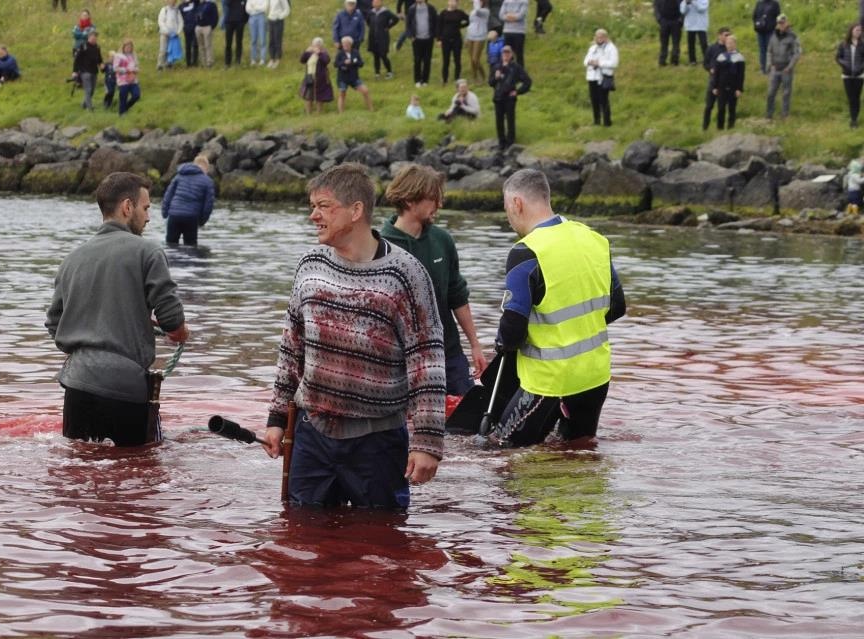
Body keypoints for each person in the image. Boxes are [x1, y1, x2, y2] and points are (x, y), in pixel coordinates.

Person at [260, 162, 445, 510]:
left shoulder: (406, 273)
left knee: (379, 545)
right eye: (312, 206)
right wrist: (275, 420)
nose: (314, 215)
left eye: (324, 206)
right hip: (311, 435)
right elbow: (291, 348)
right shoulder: (310, 265)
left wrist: (427, 442)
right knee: (302, 543)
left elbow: (427, 360)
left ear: (356, 210)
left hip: (377, 442)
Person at [45, 172, 190, 447]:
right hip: (126, 389)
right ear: (127, 207)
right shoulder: (148, 252)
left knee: (79, 475)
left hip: (77, 386)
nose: (148, 217)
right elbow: (171, 320)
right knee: (133, 477)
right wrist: (181, 334)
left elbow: (55, 324)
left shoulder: (72, 259)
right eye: (146, 208)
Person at [488, 168, 626, 448]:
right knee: (579, 450)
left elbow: (512, 332)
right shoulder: (593, 238)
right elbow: (617, 306)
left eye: (506, 209)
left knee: (499, 452)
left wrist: (501, 343)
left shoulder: (525, 252)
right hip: (594, 375)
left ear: (517, 203)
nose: (509, 218)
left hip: (547, 381)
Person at [382, 164, 488, 396]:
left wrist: (475, 345)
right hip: (402, 362)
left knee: (467, 423)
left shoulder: (443, 240)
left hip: (449, 354)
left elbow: (457, 295)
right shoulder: (380, 247)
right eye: (433, 199)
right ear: (410, 201)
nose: (439, 205)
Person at [161, 156, 216, 246]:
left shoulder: (179, 176)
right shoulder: (207, 181)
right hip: (191, 217)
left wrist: (164, 212)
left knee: (170, 245)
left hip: (174, 216)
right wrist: (202, 221)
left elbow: (168, 195)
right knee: (191, 247)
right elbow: (208, 205)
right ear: (206, 168)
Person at [489, 44, 529, 150]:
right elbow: (490, 82)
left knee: (510, 120)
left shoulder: (516, 67)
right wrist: (496, 77)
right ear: (501, 54)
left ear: (511, 54)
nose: (505, 55)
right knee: (499, 121)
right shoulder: (496, 66)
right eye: (503, 52)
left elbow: (527, 81)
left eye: (507, 52)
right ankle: (501, 142)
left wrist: (518, 91)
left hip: (509, 97)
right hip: (498, 97)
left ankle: (510, 142)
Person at [765, 14, 800, 120]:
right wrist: (770, 64)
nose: (781, 25)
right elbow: (769, 51)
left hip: (786, 69)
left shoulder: (793, 36)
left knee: (786, 93)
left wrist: (789, 67)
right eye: (779, 23)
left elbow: (796, 53)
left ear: (787, 23)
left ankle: (785, 115)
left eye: (783, 22)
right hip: (775, 68)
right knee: (771, 92)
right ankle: (769, 114)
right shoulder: (773, 36)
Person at [584, 28, 617, 127]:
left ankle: (607, 122)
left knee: (604, 100)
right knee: (594, 100)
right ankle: (596, 121)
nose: (599, 39)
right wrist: (590, 62)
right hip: (592, 77)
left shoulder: (611, 48)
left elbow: (614, 63)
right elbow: (585, 61)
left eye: (601, 37)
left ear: (606, 37)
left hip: (603, 77)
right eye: (597, 37)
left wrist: (600, 63)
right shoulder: (592, 48)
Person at [713, 34, 744, 130]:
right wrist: (715, 86)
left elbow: (741, 75)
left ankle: (731, 127)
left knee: (732, 108)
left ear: (735, 44)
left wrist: (739, 89)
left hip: (733, 86)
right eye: (727, 43)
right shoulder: (721, 56)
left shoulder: (739, 57)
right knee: (721, 108)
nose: (729, 45)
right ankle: (720, 128)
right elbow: (716, 73)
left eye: (731, 43)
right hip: (722, 86)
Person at [335, 35, 373, 113]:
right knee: (342, 94)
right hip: (343, 78)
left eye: (346, 44)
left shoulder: (355, 52)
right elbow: (335, 64)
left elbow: (361, 63)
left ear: (350, 44)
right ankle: (341, 113)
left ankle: (371, 109)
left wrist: (353, 62)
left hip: (354, 78)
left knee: (365, 91)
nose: (344, 45)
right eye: (343, 44)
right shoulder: (340, 53)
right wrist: (343, 63)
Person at [836, 23, 864, 128]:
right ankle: (853, 118)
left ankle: (854, 120)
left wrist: (860, 68)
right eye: (857, 30)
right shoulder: (843, 44)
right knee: (851, 98)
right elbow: (838, 57)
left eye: (860, 30)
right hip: (847, 76)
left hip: (859, 75)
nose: (859, 32)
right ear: (851, 31)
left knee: (857, 98)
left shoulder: (862, 44)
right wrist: (845, 65)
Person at [702, 26, 729, 130]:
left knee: (721, 107)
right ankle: (704, 127)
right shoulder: (712, 48)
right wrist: (710, 69)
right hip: (713, 81)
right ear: (719, 35)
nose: (727, 37)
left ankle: (720, 129)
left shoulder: (729, 48)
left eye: (729, 35)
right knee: (709, 106)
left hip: (725, 82)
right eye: (726, 35)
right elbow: (705, 63)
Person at [437, 0, 469, 85]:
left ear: (457, 3)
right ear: (448, 2)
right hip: (445, 39)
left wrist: (460, 26)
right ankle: (445, 79)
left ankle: (457, 78)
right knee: (446, 60)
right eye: (451, 1)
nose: (453, 3)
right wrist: (439, 39)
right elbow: (439, 26)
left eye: (455, 1)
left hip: (457, 39)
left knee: (457, 60)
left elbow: (468, 20)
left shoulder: (460, 12)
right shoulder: (443, 13)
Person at [407, 0, 438, 87]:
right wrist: (411, 36)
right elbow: (408, 23)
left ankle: (425, 80)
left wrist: (435, 36)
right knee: (417, 60)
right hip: (416, 39)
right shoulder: (412, 9)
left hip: (428, 38)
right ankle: (417, 80)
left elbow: (436, 22)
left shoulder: (431, 8)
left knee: (427, 60)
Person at [366, 0, 399, 79]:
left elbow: (395, 19)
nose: (376, 4)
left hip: (383, 37)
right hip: (373, 37)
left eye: (377, 2)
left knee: (383, 55)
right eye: (374, 2)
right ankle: (377, 73)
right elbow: (368, 21)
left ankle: (389, 72)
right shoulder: (371, 12)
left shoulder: (386, 12)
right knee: (375, 55)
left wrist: (388, 26)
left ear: (381, 3)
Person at [300, 37, 333, 114]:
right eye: (314, 45)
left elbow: (326, 61)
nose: (316, 46)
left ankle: (319, 113)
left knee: (320, 97)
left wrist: (319, 53)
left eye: (318, 45)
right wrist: (305, 52)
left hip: (321, 78)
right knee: (308, 96)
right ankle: (308, 113)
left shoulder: (324, 53)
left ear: (321, 46)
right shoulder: (309, 53)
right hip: (309, 77)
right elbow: (302, 60)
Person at [72, 30, 103, 110]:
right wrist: (74, 71)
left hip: (94, 71)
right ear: (89, 37)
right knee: (88, 90)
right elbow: (77, 59)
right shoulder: (83, 46)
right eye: (92, 36)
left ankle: (84, 104)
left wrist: (101, 65)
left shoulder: (97, 47)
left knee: (92, 90)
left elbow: (99, 58)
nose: (94, 38)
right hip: (85, 71)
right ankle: (90, 108)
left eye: (95, 37)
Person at [752, 0, 780, 74]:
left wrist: (775, 27)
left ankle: (771, 68)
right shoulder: (759, 3)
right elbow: (754, 16)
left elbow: (778, 16)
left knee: (770, 50)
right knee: (762, 50)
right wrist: (757, 24)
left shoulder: (775, 3)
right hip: (760, 31)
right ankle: (763, 68)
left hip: (770, 31)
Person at [114, 39, 141, 115]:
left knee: (136, 95)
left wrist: (135, 70)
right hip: (123, 80)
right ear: (123, 47)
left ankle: (126, 107)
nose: (128, 48)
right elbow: (115, 68)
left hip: (133, 79)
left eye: (130, 46)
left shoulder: (133, 55)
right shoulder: (118, 56)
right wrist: (126, 70)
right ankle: (122, 113)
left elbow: (137, 66)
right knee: (123, 97)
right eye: (127, 46)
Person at [498, 0, 526, 67]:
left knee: (519, 54)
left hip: (519, 31)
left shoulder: (524, 1)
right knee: (506, 53)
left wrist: (508, 15)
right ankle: (506, 72)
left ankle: (520, 74)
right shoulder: (506, 1)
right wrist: (514, 16)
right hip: (507, 31)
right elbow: (501, 15)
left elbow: (521, 15)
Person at [679, 0, 708, 66]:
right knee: (691, 44)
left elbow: (702, 9)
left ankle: (707, 60)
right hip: (690, 25)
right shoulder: (685, 1)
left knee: (704, 43)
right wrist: (686, 3)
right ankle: (692, 61)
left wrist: (693, 2)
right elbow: (682, 11)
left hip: (701, 25)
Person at [466, 0, 489, 81]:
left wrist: (476, 1)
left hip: (480, 36)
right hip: (470, 35)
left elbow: (478, 11)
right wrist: (466, 37)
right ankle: (474, 78)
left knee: (475, 59)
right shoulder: (473, 11)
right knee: (471, 59)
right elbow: (471, 23)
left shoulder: (485, 11)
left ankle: (483, 76)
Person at [654, 0, 682, 67]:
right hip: (664, 21)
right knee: (664, 43)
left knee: (676, 42)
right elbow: (656, 8)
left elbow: (683, 7)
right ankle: (662, 61)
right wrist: (659, 19)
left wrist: (681, 20)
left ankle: (674, 61)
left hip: (676, 21)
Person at [157, 0, 183, 70]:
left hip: (174, 35)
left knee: (172, 50)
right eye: (170, 0)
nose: (172, 2)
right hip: (164, 34)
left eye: (174, 1)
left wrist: (178, 32)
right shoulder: (164, 10)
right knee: (163, 50)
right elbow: (161, 22)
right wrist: (167, 31)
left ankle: (169, 64)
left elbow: (180, 22)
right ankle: (160, 65)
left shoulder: (177, 11)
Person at [223, 0, 248, 68]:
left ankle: (238, 61)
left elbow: (246, 10)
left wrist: (244, 21)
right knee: (228, 43)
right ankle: (227, 63)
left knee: (239, 42)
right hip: (229, 21)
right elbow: (226, 3)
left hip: (240, 22)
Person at [266, 0, 289, 68]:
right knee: (271, 40)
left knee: (277, 40)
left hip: (278, 21)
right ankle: (272, 58)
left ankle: (278, 59)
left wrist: (280, 17)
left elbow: (287, 9)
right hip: (271, 20)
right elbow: (268, 7)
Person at [195, 0, 218, 68]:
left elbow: (215, 16)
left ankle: (209, 62)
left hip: (207, 27)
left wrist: (212, 26)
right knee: (201, 46)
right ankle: (203, 62)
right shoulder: (199, 4)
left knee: (208, 45)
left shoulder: (211, 4)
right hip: (198, 27)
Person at [246, 0, 267, 66]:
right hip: (252, 17)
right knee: (253, 40)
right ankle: (253, 59)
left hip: (261, 17)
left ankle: (262, 59)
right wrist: (257, 8)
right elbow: (247, 9)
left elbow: (264, 8)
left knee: (262, 39)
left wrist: (254, 7)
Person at [180, 0, 199, 67]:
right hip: (187, 28)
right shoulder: (181, 6)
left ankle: (195, 62)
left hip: (195, 27)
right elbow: (180, 17)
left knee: (195, 45)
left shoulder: (195, 2)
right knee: (188, 46)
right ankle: (188, 63)